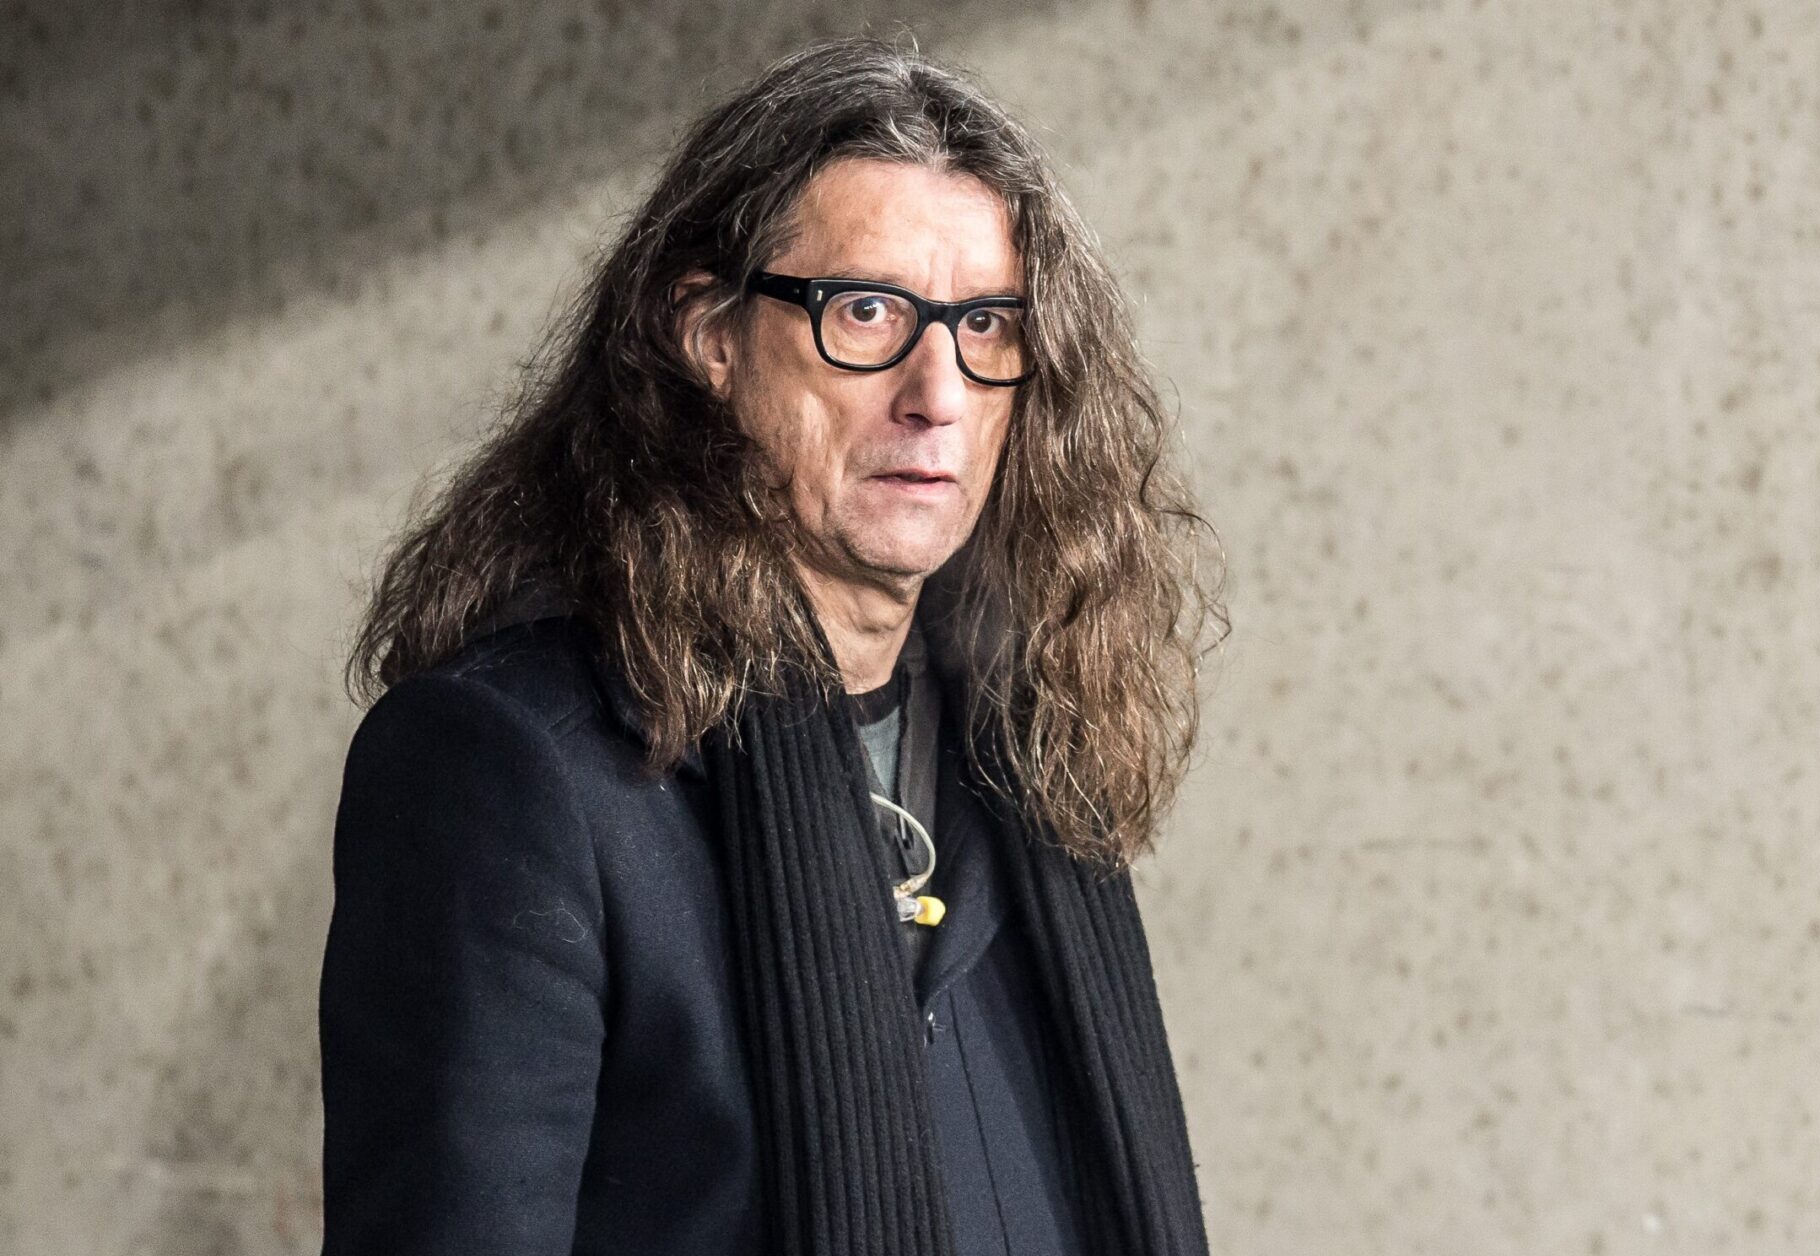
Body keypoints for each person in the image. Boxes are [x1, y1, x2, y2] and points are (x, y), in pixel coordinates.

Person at [317, 33, 1226, 1256]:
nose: (938, 392)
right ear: (710, 334)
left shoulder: (1032, 750)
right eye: (867, 312)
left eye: (987, 326)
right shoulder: (513, 767)